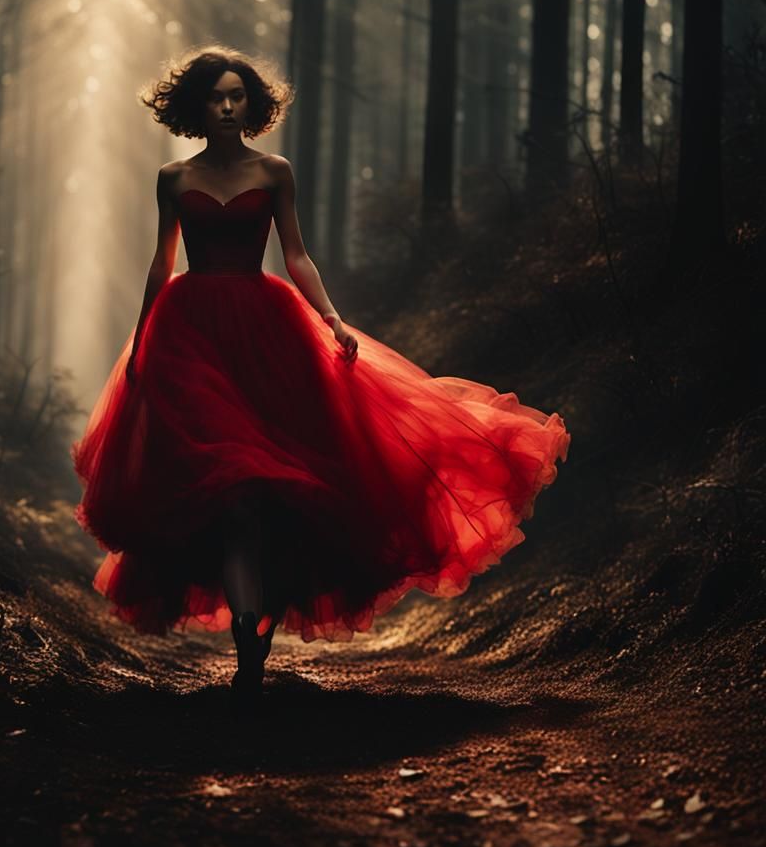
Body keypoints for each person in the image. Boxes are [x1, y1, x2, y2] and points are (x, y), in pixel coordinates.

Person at [70, 44, 571, 710]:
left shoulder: (273, 171)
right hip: (188, 334)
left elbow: (296, 254)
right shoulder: (173, 178)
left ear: (251, 104)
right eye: (215, 97)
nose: (226, 106)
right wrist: (139, 343)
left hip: (268, 329)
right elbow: (160, 266)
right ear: (196, 105)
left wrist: (333, 320)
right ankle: (249, 639)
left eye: (237, 96)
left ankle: (257, 639)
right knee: (229, 490)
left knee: (277, 490)